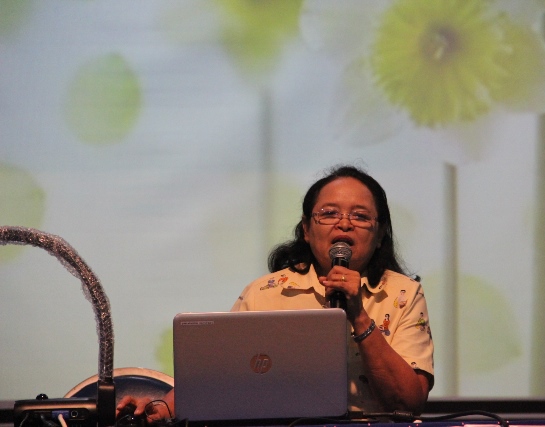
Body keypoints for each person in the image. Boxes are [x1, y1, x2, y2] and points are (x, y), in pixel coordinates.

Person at [117, 164, 434, 422]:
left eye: (361, 216)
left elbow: (409, 403)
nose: (344, 224)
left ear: (380, 235)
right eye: (329, 213)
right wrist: (163, 408)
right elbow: (218, 373)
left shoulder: (403, 294)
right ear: (307, 230)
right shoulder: (265, 293)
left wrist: (359, 315)